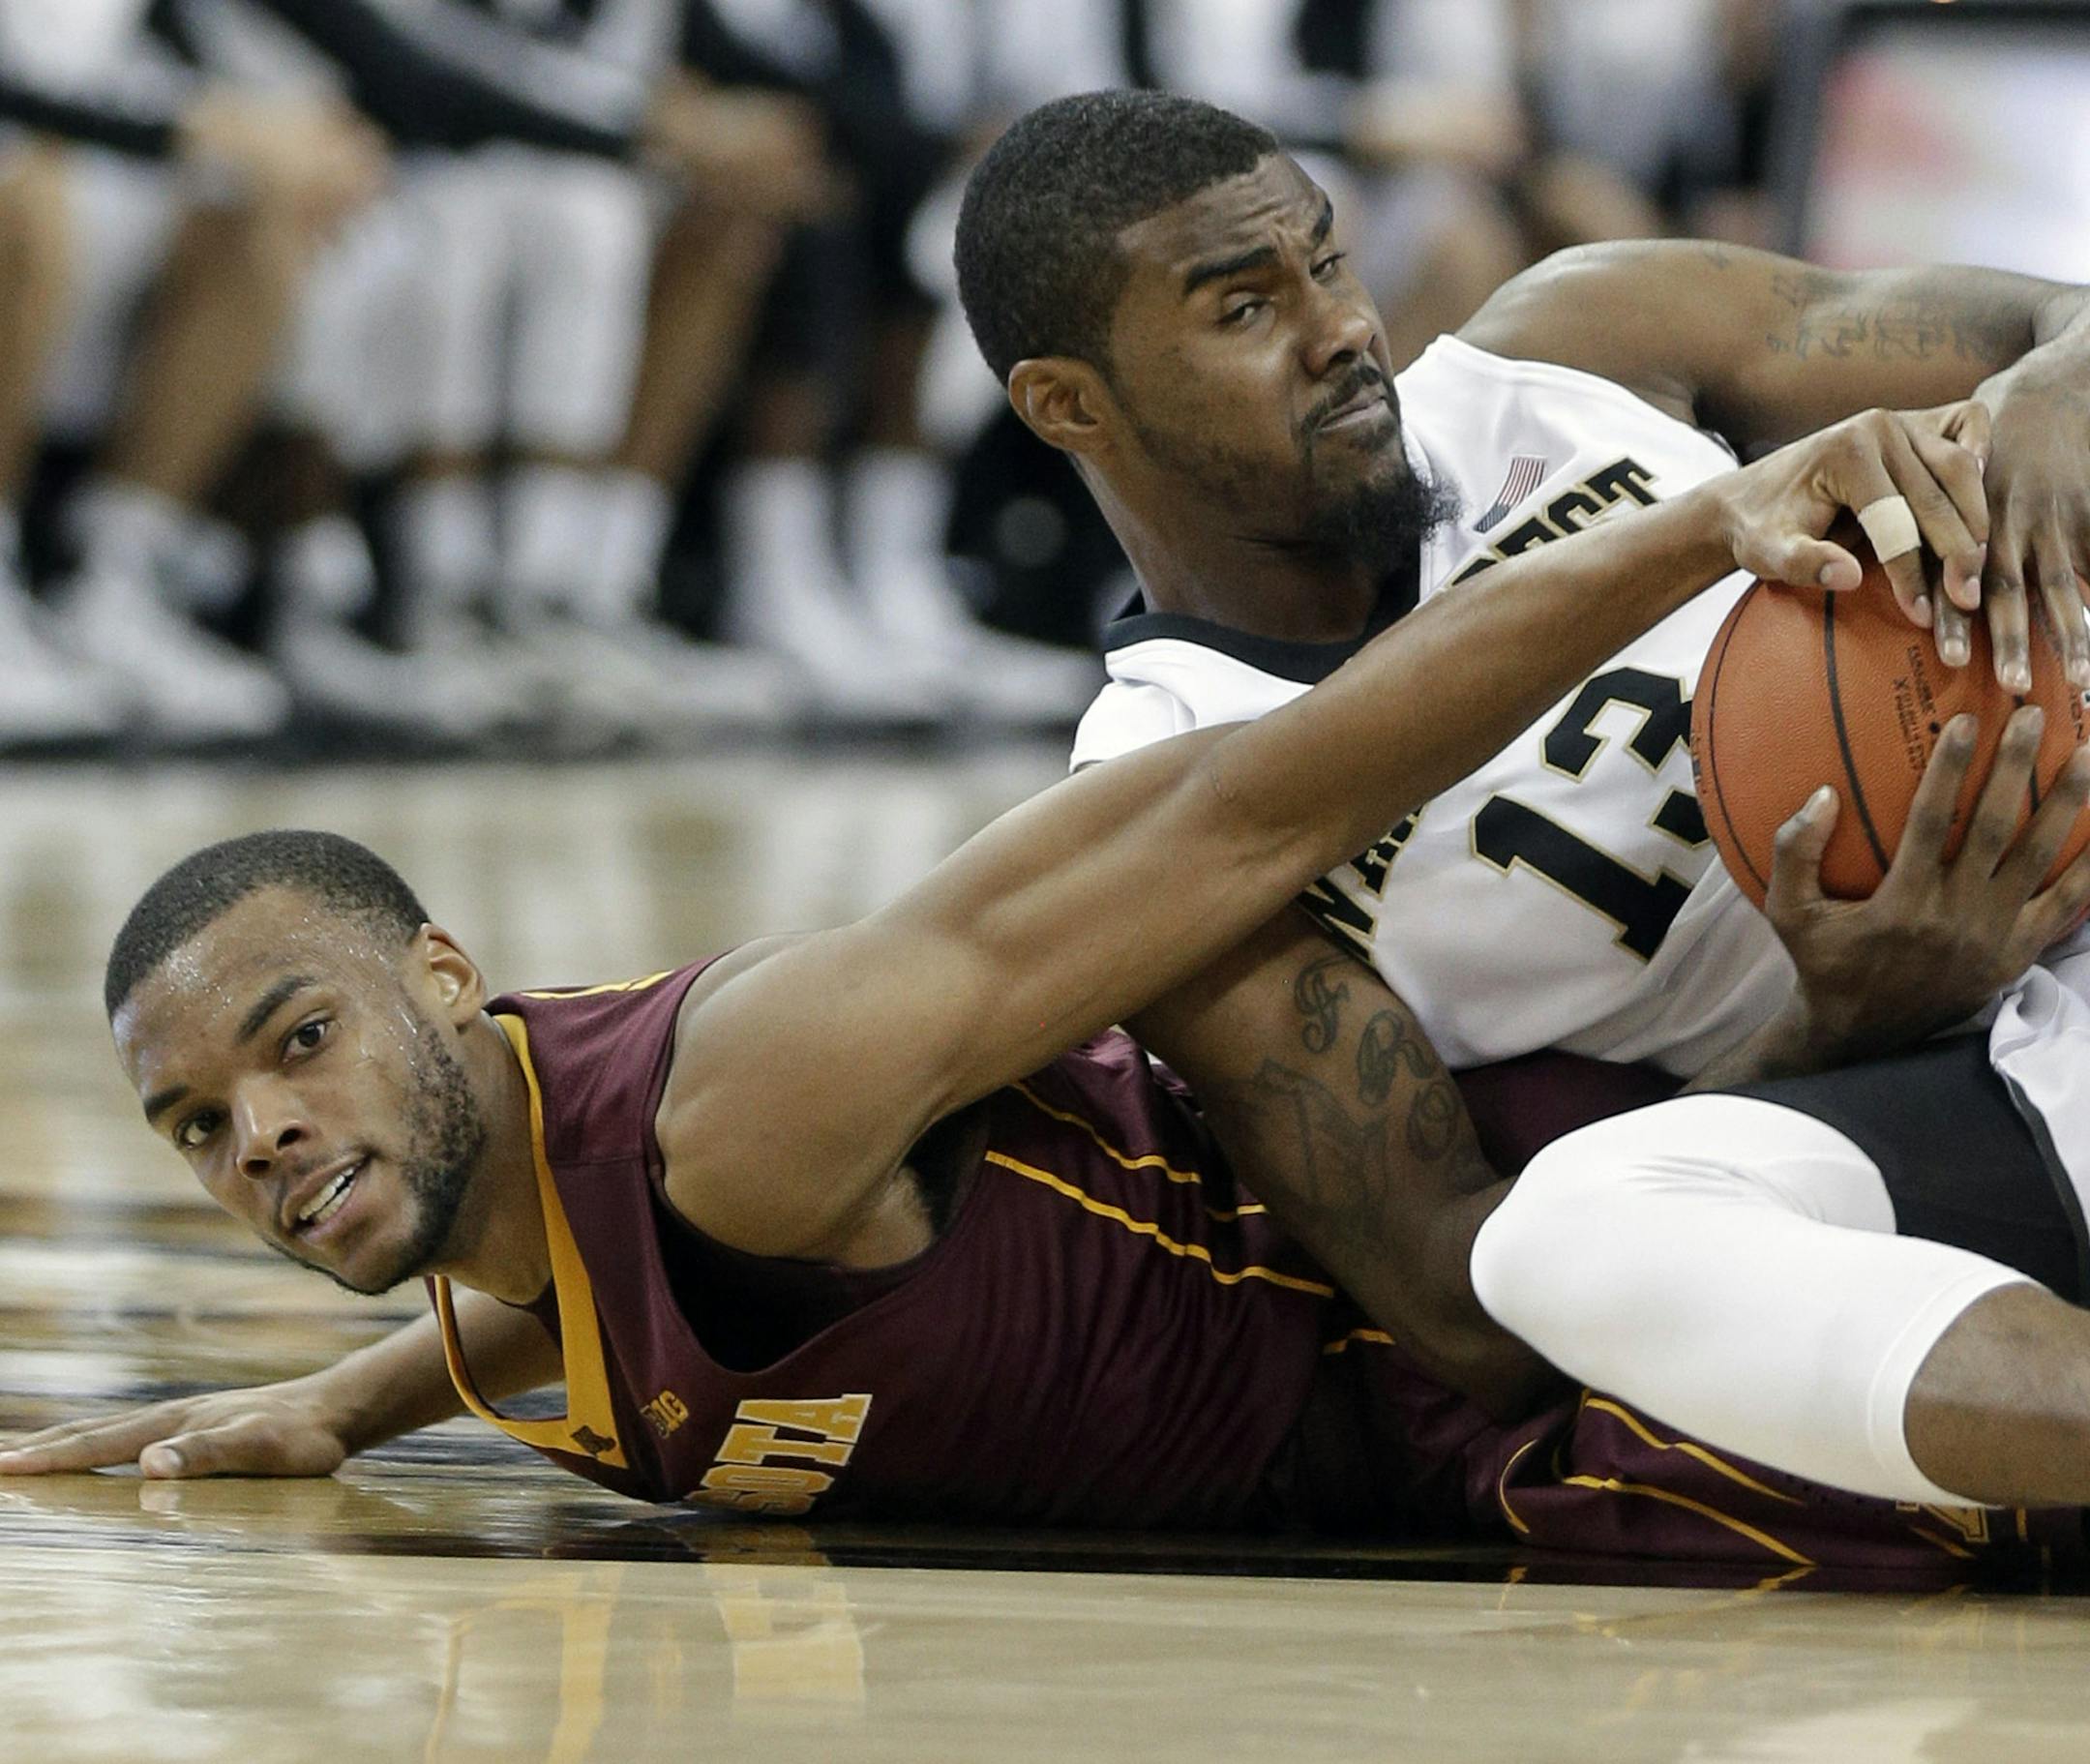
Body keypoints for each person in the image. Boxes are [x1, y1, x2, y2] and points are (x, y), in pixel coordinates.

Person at [0, 384, 2024, 1570]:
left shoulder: (748, 1097)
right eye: (198, 1125)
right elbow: (580, 1278)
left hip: (1497, 1349)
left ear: (443, 977)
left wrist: (1694, 533)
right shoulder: (510, 1194)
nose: (261, 1134)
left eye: (298, 1044)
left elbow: (1260, 801)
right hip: (1434, 1412)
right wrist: (349, 1406)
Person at [945, 92, 2090, 1507]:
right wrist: (1840, 1028)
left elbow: (2060, 318)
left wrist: (2048, 402)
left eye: (1330, 261)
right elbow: (1456, 1308)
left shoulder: (1579, 341)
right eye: (1243, 311)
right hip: (1940, 1092)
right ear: (1069, 404)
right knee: (1563, 1243)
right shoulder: (1155, 805)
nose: (1341, 330)